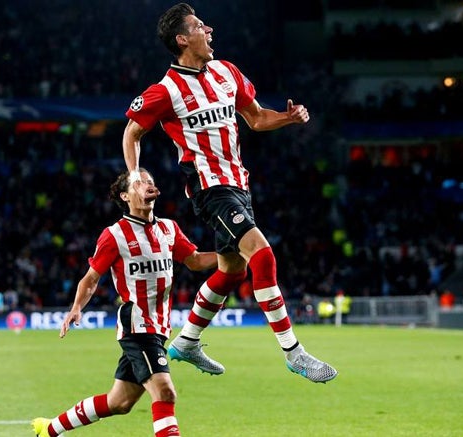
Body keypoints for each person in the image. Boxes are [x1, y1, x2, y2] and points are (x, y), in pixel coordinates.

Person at [122, 2, 337, 383]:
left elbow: (255, 117)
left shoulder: (227, 72)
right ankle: (293, 352)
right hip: (210, 188)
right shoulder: (166, 91)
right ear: (182, 39)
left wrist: (287, 118)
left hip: (239, 184)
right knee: (262, 254)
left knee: (230, 271)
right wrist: (135, 174)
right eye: (200, 26)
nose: (210, 31)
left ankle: (187, 342)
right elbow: (132, 132)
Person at [32, 169, 217, 437]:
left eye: (150, 181)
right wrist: (76, 308)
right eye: (139, 183)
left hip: (160, 327)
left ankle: (49, 429)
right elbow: (91, 278)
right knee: (165, 391)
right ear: (125, 196)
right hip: (137, 326)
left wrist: (233, 255)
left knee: (119, 402)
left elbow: (196, 260)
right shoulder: (114, 235)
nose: (147, 186)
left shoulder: (169, 228)